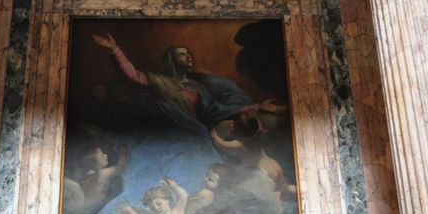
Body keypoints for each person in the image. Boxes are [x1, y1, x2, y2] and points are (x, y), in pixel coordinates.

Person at [92, 33, 284, 136]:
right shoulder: (160, 81)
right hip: (171, 133)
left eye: (188, 54)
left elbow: (216, 110)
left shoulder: (197, 87)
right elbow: (132, 76)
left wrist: (256, 107)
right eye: (182, 54)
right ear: (171, 60)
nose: (188, 56)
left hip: (198, 132)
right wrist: (115, 49)